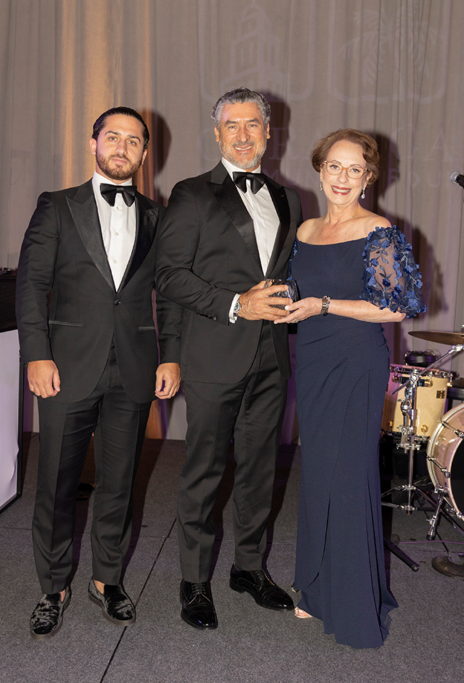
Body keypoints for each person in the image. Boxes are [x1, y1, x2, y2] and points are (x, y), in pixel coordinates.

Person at [16, 106, 182, 640]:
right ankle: (53, 585)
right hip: (65, 366)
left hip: (133, 369)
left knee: (118, 484)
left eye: (134, 141)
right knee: (57, 485)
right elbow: (30, 284)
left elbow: (171, 296)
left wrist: (170, 354)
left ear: (143, 153)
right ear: (93, 144)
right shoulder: (57, 206)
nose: (123, 147)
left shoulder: (158, 218)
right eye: (113, 136)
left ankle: (106, 579)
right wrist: (36, 353)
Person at [156, 87, 302, 630]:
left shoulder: (290, 199)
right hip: (214, 355)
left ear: (269, 132)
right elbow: (169, 277)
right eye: (231, 126)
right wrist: (237, 304)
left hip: (272, 358)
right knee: (203, 473)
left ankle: (248, 568)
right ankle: (194, 581)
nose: (243, 135)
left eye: (253, 125)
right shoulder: (191, 194)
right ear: (217, 134)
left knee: (261, 472)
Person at [276, 129, 426, 648]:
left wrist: (323, 304)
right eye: (334, 167)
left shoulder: (378, 230)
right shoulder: (306, 230)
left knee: (348, 472)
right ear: (320, 170)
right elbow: (297, 291)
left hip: (356, 361)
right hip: (314, 360)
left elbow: (396, 306)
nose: (343, 178)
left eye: (354, 169)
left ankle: (353, 601)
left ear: (369, 177)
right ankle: (315, 587)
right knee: (317, 471)